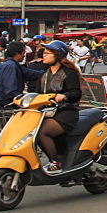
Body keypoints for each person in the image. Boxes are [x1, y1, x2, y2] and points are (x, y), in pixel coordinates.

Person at [34, 41, 83, 174]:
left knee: (41, 132)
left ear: (57, 55)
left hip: (66, 114)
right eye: (43, 53)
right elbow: (37, 94)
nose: (43, 55)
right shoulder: (43, 74)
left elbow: (76, 93)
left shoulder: (69, 73)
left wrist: (64, 96)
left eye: (47, 53)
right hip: (46, 112)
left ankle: (55, 162)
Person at [0, 41, 38, 108]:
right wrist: (19, 97)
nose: (24, 55)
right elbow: (10, 89)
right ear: (17, 54)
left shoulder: (9, 64)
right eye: (23, 53)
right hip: (6, 104)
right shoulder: (11, 66)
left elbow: (29, 73)